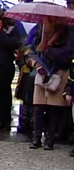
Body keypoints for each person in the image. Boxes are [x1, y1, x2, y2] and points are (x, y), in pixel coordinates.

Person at [28, 17, 74, 150]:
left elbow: (67, 57)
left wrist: (47, 49)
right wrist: (36, 64)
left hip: (58, 74)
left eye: (46, 23)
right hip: (41, 74)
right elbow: (29, 52)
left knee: (54, 109)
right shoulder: (39, 33)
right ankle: (36, 137)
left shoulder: (67, 35)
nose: (44, 25)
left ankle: (50, 138)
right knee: (38, 107)